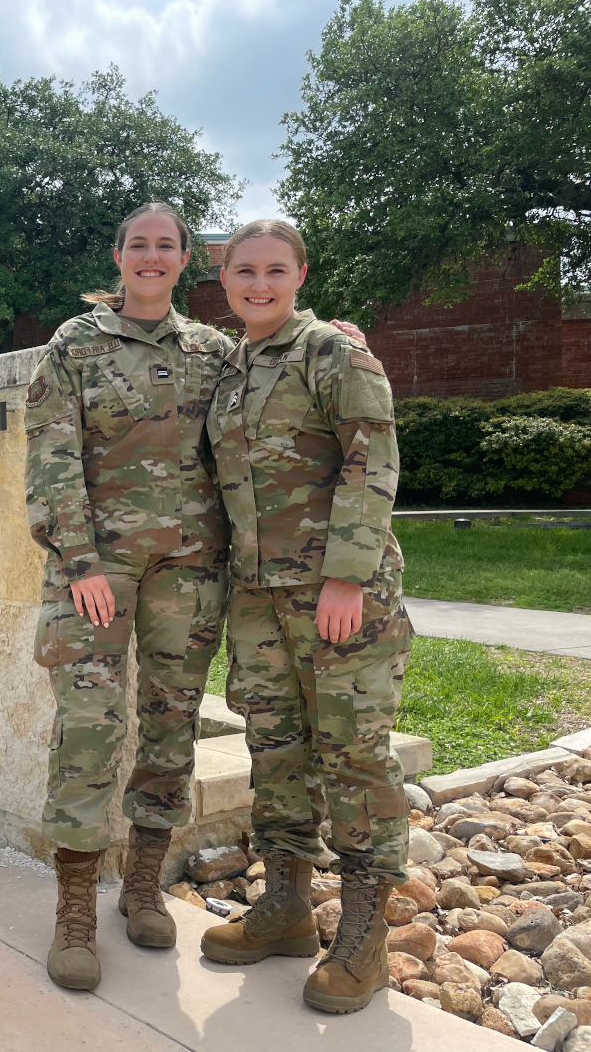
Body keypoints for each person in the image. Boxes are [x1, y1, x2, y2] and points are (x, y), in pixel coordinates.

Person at [197, 219, 412, 1015]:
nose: (259, 282)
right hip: (258, 599)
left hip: (337, 595)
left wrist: (349, 576)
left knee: (353, 755)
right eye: (243, 270)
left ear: (301, 273)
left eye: (274, 269)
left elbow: (373, 457)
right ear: (223, 278)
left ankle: (365, 939)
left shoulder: (335, 352)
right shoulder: (231, 367)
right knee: (276, 748)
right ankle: (286, 906)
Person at [24, 203, 235, 990]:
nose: (151, 257)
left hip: (189, 566)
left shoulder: (214, 351)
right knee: (88, 725)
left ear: (186, 260)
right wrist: (78, 560)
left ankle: (143, 883)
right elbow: (51, 455)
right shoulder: (73, 346)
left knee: (172, 718)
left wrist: (334, 333)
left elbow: (273, 387)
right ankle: (76, 904)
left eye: (166, 246)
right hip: (94, 569)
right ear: (118, 257)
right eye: (138, 245)